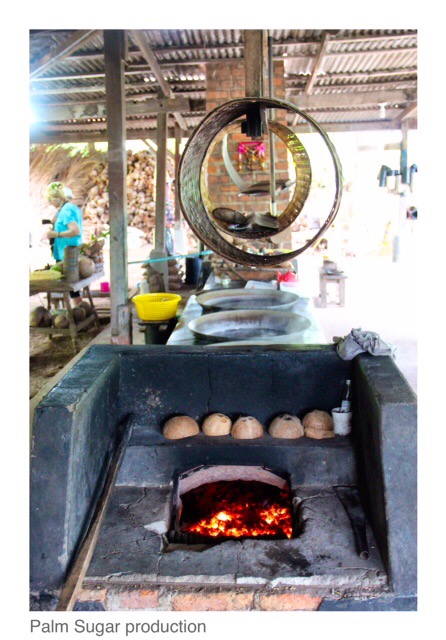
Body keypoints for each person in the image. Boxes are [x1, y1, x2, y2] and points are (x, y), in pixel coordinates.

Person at [45, 182, 83, 306]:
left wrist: (56, 234)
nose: (50, 203)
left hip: (67, 254)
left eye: (50, 199)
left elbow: (75, 230)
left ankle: (76, 311)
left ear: (57, 198)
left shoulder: (67, 210)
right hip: (67, 252)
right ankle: (76, 310)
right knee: (73, 290)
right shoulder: (68, 208)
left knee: (71, 289)